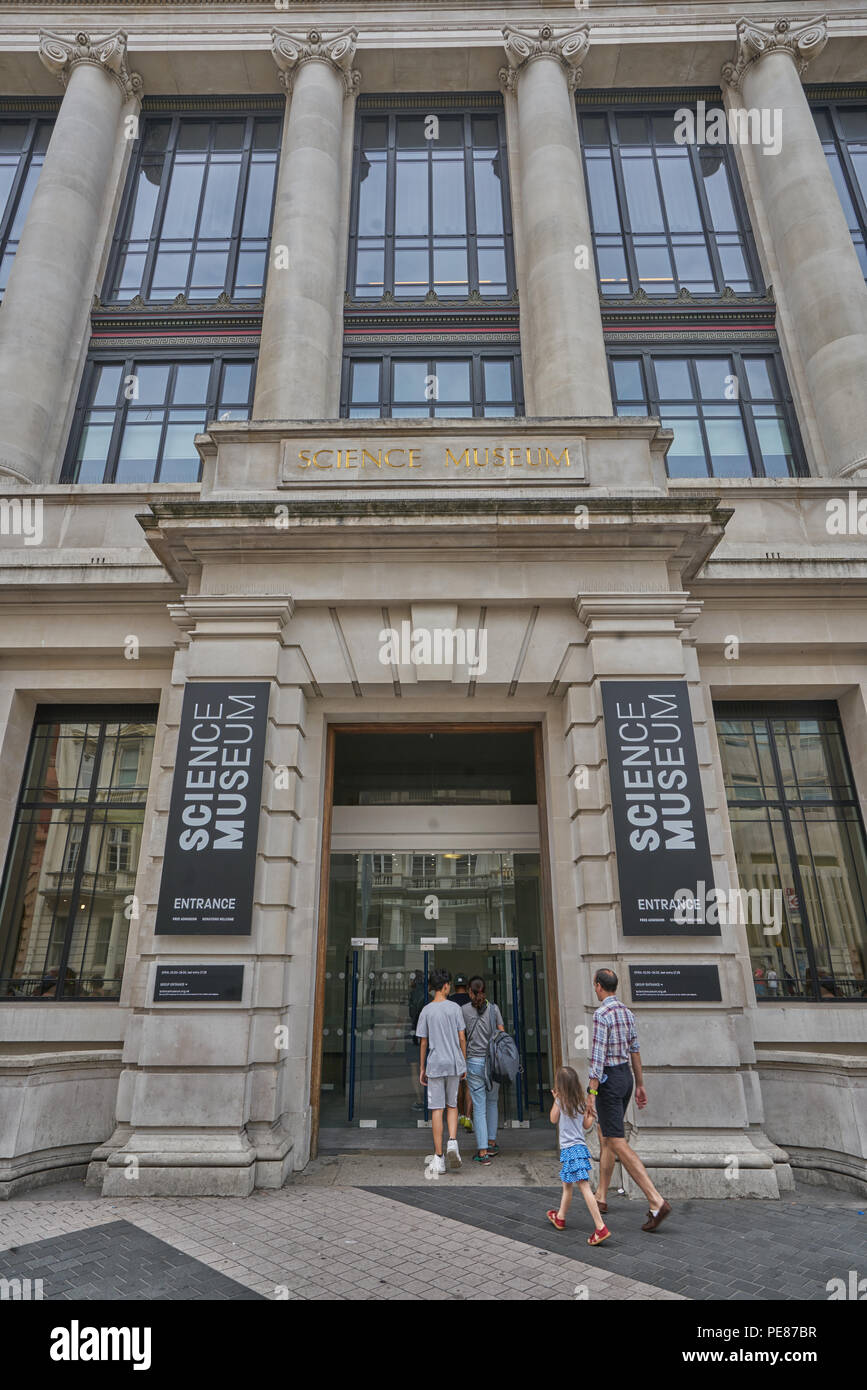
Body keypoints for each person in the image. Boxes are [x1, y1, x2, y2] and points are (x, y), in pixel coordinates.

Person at [585, 968, 671, 1233]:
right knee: (607, 1135)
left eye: (595, 986)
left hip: (609, 1080)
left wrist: (591, 1092)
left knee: (616, 1140)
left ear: (599, 986)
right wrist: (640, 1084)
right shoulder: (626, 1013)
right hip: (625, 1077)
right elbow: (635, 1050)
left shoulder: (602, 1015)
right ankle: (601, 1196)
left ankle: (655, 1200)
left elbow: (597, 1058)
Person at [547, 1066, 610, 1245]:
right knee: (567, 1185)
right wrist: (590, 1115)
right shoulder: (581, 1102)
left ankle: (600, 1227)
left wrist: (555, 1100)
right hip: (579, 1148)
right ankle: (560, 1217)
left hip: (569, 1149)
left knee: (583, 1186)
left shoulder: (560, 1102)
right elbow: (586, 1125)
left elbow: (552, 1119)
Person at [416, 968, 467, 1174]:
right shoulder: (455, 1008)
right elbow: (462, 1037)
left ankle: (438, 1157)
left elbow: (423, 1042)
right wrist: (463, 1061)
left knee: (437, 1108)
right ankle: (452, 1142)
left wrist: (422, 1067)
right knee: (452, 1104)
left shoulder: (426, 1010)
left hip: (435, 1063)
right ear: (446, 986)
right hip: (454, 1062)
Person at [461, 975, 505, 1165]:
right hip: (493, 1063)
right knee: (492, 1102)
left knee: (479, 1106)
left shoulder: (463, 1010)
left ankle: (483, 1151)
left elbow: (461, 1037)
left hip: (474, 1062)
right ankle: (492, 1142)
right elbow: (501, 1033)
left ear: (470, 992)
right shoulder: (494, 1009)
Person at [451, 975, 474, 1130]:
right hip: (470, 1045)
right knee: (469, 1085)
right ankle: (468, 1117)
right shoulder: (472, 1001)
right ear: (467, 987)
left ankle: (458, 1115)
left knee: (457, 1083)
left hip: (455, 1046)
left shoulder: (450, 1002)